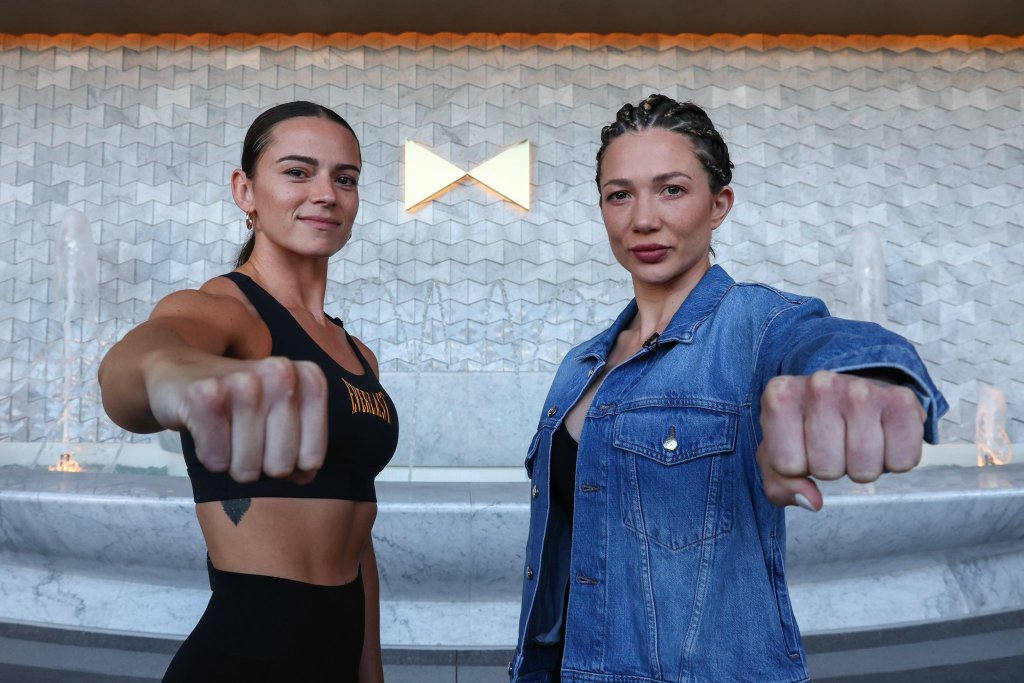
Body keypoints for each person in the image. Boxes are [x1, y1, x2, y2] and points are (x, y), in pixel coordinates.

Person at [509, 94, 947, 683]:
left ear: (719, 205)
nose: (643, 219)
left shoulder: (754, 325)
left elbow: (817, 340)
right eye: (620, 195)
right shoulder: (579, 365)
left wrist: (865, 378)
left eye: (672, 189)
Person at [98, 101, 396, 682]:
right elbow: (132, 366)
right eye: (297, 172)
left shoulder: (360, 354)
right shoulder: (228, 311)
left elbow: (356, 530)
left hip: (338, 656)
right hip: (246, 658)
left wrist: (370, 669)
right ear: (245, 191)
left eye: (345, 179)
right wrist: (176, 378)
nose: (326, 194)